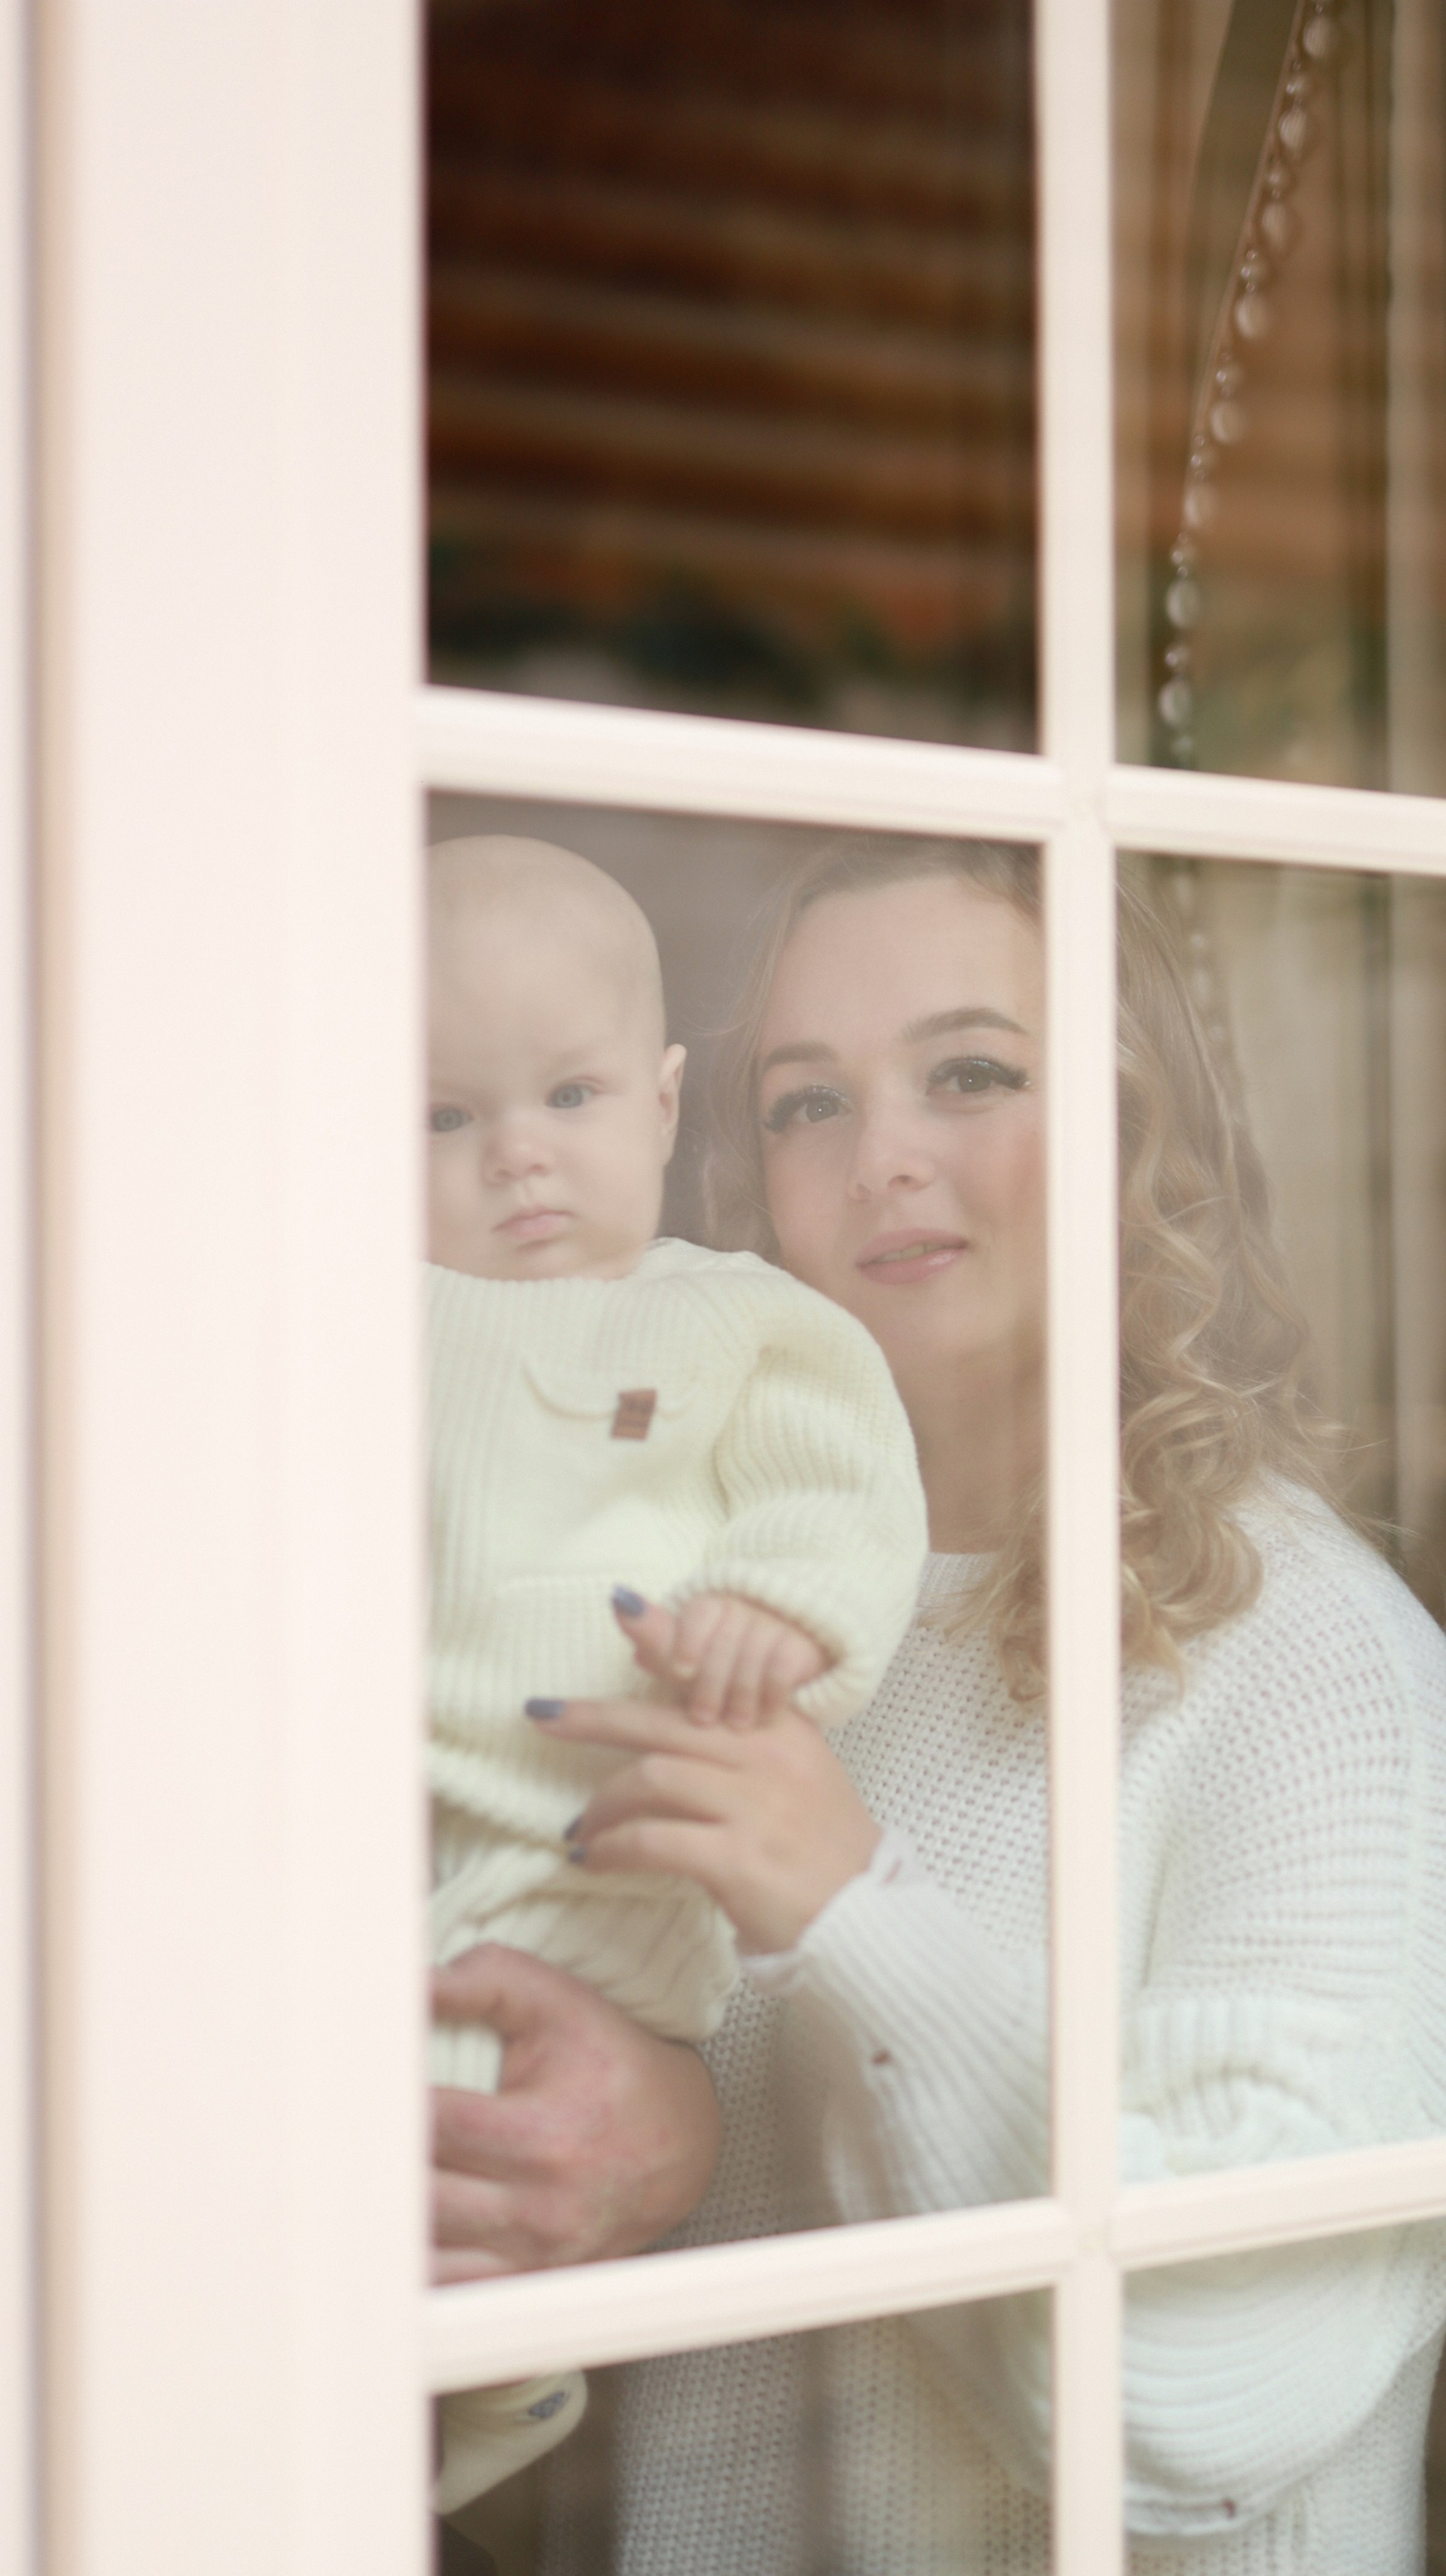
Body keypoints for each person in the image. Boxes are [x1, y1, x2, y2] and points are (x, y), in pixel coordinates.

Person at [434, 837, 1446, 2574]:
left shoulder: (1313, 1659)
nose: (883, 1158)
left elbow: (1212, 2390)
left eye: (968, 1074)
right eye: (806, 1104)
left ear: (1138, 1132)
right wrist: (644, 2138)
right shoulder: (672, 1605)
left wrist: (849, 1900)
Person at [424, 835, 926, 2514]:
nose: (516, 1164)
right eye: (441, 1120)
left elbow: (832, 1486)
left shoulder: (724, 1321)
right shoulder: (349, 1313)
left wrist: (773, 1610)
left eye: (566, 1098)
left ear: (658, 1104)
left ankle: (484, 2394)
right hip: (399, 1824)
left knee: (452, 2146)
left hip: (596, 1859)